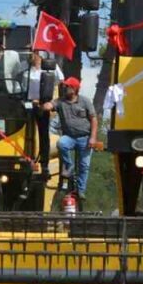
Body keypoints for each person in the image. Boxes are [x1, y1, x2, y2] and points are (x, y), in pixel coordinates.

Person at [46, 76, 100, 204]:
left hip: (85, 138)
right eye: (65, 86)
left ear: (75, 89)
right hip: (69, 137)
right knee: (61, 143)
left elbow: (94, 119)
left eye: (68, 86)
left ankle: (81, 191)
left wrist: (92, 138)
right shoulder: (60, 101)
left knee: (84, 166)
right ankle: (69, 166)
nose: (65, 88)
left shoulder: (85, 101)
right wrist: (45, 105)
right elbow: (50, 105)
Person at [24, 50, 62, 176]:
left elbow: (61, 79)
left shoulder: (50, 67)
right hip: (28, 103)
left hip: (42, 103)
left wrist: (51, 96)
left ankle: (44, 163)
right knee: (25, 133)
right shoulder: (26, 69)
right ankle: (27, 158)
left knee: (43, 133)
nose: (32, 55)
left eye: (34, 52)